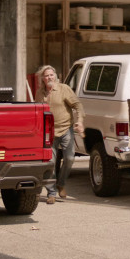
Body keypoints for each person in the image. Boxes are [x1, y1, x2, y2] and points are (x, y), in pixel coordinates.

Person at [35, 65, 85, 204]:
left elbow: (78, 105)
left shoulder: (64, 89)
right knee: (50, 162)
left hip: (65, 129)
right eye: (46, 76)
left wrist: (80, 121)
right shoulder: (40, 93)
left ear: (55, 76)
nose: (49, 77)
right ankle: (51, 193)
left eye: (51, 75)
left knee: (69, 158)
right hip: (48, 133)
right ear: (42, 78)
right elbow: (37, 112)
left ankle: (61, 183)